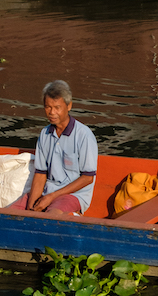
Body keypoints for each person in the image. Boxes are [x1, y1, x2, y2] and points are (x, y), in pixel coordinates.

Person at [10, 80, 97, 216]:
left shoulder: (84, 135)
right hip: (47, 191)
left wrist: (51, 197)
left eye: (57, 107)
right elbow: (40, 174)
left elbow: (88, 178)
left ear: (69, 106)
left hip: (73, 195)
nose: (52, 112)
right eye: (48, 107)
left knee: (52, 217)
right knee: (9, 213)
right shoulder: (45, 134)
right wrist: (31, 208)